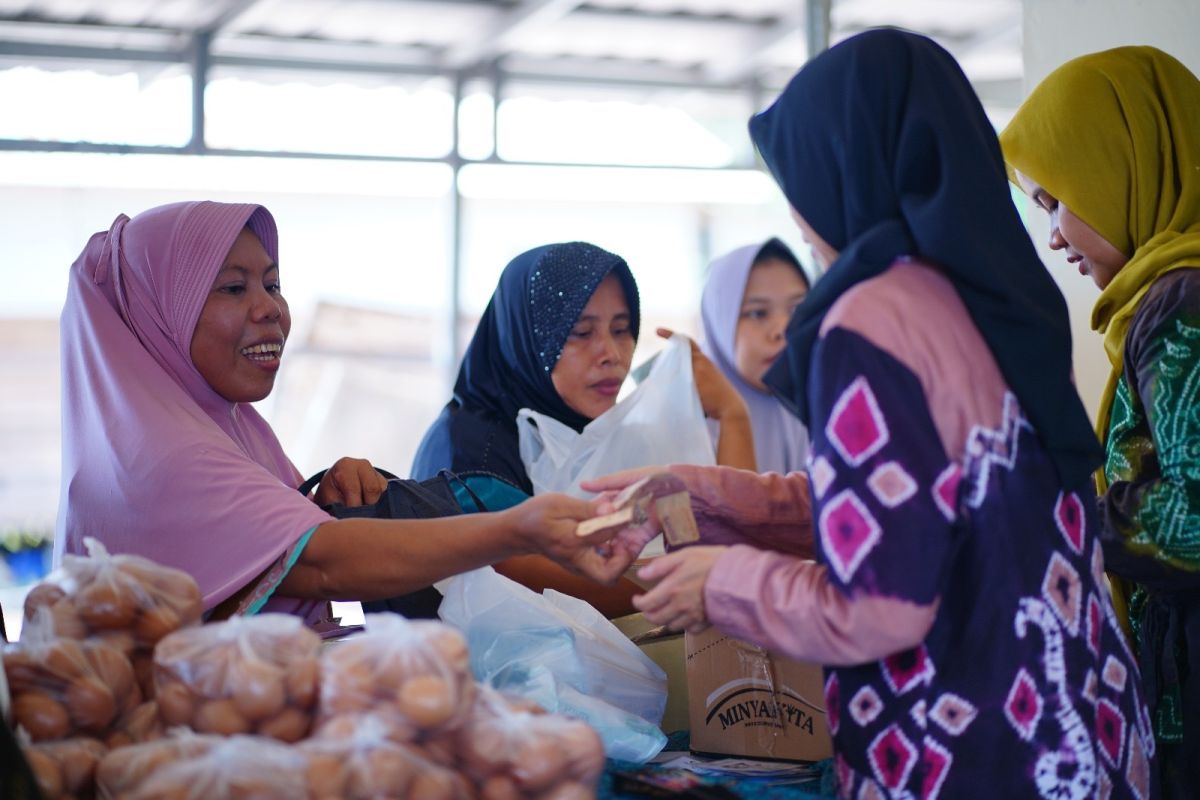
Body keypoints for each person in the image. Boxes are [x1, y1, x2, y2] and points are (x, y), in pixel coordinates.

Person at [584, 29, 1153, 798]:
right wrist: (700, 495)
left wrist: (724, 584)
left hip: (970, 751)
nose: (798, 208)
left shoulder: (869, 320)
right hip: (1080, 729)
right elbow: (912, 507)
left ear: (841, 162)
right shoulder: (985, 295)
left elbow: (880, 606)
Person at [55, 201, 618, 625]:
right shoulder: (166, 456)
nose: (269, 309)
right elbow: (325, 564)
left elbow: (281, 547)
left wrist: (320, 501)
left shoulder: (230, 429)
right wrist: (516, 528)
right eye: (231, 287)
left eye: (273, 284)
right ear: (158, 314)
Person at [1001, 45, 1200, 797]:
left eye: (1056, 201)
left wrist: (1054, 510)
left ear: (1121, 165)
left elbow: (1196, 515)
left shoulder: (1181, 302)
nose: (1054, 236)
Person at [399, 241, 753, 618]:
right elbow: (558, 581)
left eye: (621, 329)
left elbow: (732, 537)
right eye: (581, 333)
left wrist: (733, 415)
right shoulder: (472, 455)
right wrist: (715, 581)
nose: (611, 354)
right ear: (526, 339)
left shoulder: (594, 435)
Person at [700, 238, 811, 474]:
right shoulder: (692, 423)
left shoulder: (824, 406)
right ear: (721, 323)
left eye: (797, 310)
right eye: (758, 313)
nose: (783, 329)